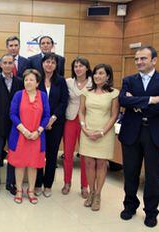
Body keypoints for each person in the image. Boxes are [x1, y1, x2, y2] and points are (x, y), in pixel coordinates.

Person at [118, 46, 159, 228]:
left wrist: (137, 103)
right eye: (137, 59)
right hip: (132, 132)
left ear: (154, 60)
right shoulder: (129, 80)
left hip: (155, 133)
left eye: (143, 58)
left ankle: (151, 212)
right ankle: (130, 206)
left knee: (153, 176)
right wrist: (149, 100)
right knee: (130, 173)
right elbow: (123, 100)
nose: (139, 62)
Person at [79, 63, 119, 211]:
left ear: (108, 76)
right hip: (87, 132)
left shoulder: (114, 93)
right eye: (95, 73)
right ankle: (91, 192)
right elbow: (81, 112)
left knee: (101, 164)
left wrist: (102, 131)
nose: (97, 76)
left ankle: (98, 195)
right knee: (89, 163)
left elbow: (114, 115)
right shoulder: (86, 92)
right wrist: (84, 128)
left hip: (105, 134)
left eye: (101, 73)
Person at [8, 69, 50, 204]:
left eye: (31, 79)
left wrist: (38, 131)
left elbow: (46, 116)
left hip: (37, 137)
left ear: (37, 83)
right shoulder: (18, 95)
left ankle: (30, 190)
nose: (28, 82)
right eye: (26, 80)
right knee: (19, 164)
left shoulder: (43, 96)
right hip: (20, 135)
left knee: (33, 165)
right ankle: (19, 190)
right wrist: (24, 131)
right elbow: (12, 114)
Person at [0, 54, 24, 196]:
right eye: (5, 63)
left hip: (15, 126)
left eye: (10, 62)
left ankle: (11, 183)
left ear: (14, 64)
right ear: (0, 65)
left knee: (13, 155)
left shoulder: (20, 82)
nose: (8, 65)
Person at [34, 53, 68, 197]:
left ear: (56, 65)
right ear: (42, 63)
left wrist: (52, 118)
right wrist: (43, 121)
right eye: (47, 61)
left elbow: (63, 102)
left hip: (56, 123)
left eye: (53, 62)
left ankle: (48, 185)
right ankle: (37, 184)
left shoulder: (60, 81)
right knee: (38, 153)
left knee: (52, 155)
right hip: (38, 123)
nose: (49, 64)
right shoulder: (37, 79)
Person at [62, 57, 92, 198]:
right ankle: (67, 182)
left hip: (87, 120)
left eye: (81, 66)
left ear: (87, 68)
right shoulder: (68, 82)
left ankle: (84, 186)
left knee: (85, 155)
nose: (78, 68)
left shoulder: (93, 82)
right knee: (68, 154)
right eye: (76, 66)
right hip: (71, 119)